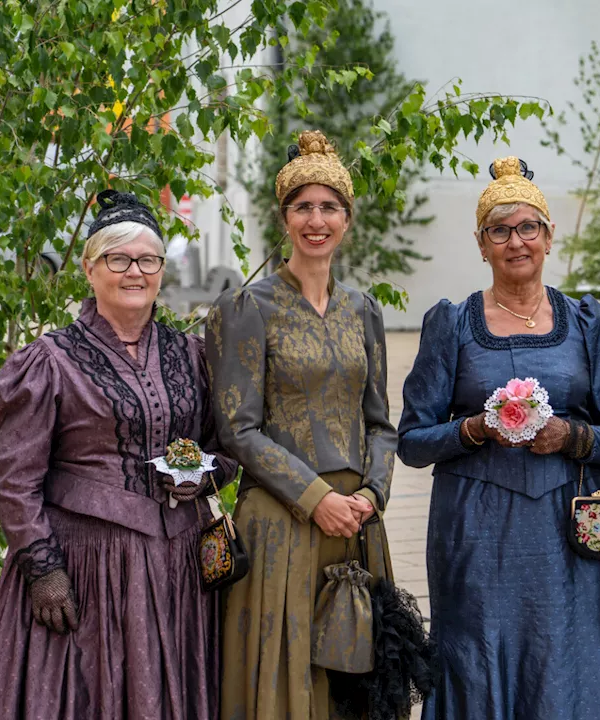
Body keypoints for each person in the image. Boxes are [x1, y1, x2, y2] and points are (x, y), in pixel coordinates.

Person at [0, 190, 238, 719]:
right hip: (88, 567)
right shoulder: (50, 361)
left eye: (147, 260)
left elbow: (224, 446)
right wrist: (42, 568)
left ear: (161, 270)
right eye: (118, 259)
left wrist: (201, 477)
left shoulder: (191, 354)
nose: (134, 272)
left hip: (179, 569)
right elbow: (13, 479)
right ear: (90, 269)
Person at [397, 156, 600, 719]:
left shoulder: (585, 322)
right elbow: (412, 440)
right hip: (475, 532)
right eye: (499, 230)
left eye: (528, 227)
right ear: (481, 245)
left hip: (569, 526)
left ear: (549, 237)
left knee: (569, 651)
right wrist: (475, 428)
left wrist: (570, 437)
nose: (516, 241)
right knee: (479, 653)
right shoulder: (451, 324)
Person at [210, 130, 397, 719]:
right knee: (288, 676)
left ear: (347, 218)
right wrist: (316, 498)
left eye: (329, 207)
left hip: (357, 525)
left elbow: (380, 423)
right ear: (284, 217)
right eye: (303, 207)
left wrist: (371, 493)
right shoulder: (248, 308)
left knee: (352, 682)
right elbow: (237, 429)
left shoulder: (363, 309)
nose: (317, 220)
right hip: (282, 521)